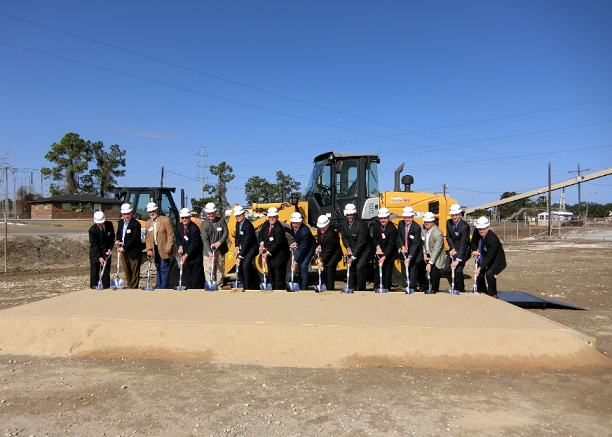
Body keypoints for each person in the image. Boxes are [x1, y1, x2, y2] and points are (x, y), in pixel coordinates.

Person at [339, 203, 373, 291]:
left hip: (365, 251)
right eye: (348, 215)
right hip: (353, 248)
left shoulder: (362, 226)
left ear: (355, 214)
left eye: (351, 215)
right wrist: (348, 248)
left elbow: (360, 243)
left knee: (360, 267)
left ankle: (360, 289)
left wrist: (353, 257)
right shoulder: (343, 224)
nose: (349, 217)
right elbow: (344, 237)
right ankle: (351, 287)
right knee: (351, 267)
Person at [470, 216, 506, 298]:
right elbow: (473, 242)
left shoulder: (493, 239)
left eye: (484, 228)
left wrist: (480, 267)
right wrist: (474, 249)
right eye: (480, 229)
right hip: (483, 256)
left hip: (496, 260)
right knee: (479, 274)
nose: (482, 231)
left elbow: (490, 257)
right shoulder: (476, 232)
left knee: (489, 273)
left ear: (488, 227)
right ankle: (482, 290)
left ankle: (493, 293)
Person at [257, 206, 290, 290]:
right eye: (270, 217)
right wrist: (262, 244)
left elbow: (277, 244)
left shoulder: (279, 229)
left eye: (273, 217)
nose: (271, 218)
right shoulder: (266, 224)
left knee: (278, 280)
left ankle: (279, 294)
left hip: (279, 258)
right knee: (271, 278)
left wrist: (267, 253)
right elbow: (261, 234)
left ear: (277, 217)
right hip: (271, 258)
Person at [144, 202, 175, 289]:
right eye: (150, 212)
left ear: (157, 210)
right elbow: (148, 237)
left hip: (164, 248)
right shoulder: (148, 223)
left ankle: (164, 287)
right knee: (157, 267)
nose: (152, 213)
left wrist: (169, 247)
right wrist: (149, 249)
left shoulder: (165, 220)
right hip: (155, 248)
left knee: (164, 268)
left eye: (153, 211)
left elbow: (170, 235)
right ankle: (159, 285)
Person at [443, 204, 471, 293]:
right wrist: (453, 249)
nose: (454, 217)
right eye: (453, 215)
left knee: (458, 270)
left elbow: (464, 244)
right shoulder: (449, 223)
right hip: (454, 249)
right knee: (446, 269)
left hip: (464, 251)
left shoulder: (465, 227)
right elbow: (448, 237)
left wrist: (457, 260)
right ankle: (455, 287)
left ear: (460, 214)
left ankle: (461, 290)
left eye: (456, 215)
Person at [201, 202, 229, 288]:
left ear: (215, 212)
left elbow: (225, 232)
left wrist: (219, 242)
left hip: (220, 250)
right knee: (209, 269)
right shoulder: (204, 225)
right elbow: (205, 240)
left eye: (212, 213)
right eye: (209, 213)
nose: (211, 215)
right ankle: (210, 285)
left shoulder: (221, 220)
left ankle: (219, 285)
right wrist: (209, 252)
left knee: (220, 269)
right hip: (208, 251)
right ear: (206, 213)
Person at [175, 208, 204, 289]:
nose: (184, 219)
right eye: (182, 217)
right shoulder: (180, 226)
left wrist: (186, 255)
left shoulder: (194, 229)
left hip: (195, 257)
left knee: (196, 279)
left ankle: (196, 292)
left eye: (186, 217)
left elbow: (193, 245)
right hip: (187, 258)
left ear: (189, 217)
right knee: (189, 277)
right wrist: (180, 246)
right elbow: (178, 238)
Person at [115, 203, 142, 289]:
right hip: (124, 251)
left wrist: (124, 247)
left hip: (133, 250)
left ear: (131, 213)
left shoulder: (136, 224)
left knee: (134, 271)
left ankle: (134, 287)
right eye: (125, 214)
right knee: (127, 270)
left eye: (128, 214)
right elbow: (119, 233)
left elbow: (134, 238)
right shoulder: (120, 222)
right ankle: (129, 285)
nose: (126, 216)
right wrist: (118, 240)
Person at [396, 206, 423, 293]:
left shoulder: (417, 227)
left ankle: (412, 288)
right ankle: (405, 286)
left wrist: (410, 257)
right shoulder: (401, 224)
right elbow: (399, 236)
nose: (407, 219)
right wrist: (402, 246)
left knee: (412, 272)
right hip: (404, 251)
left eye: (409, 217)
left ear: (412, 217)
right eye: (405, 217)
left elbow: (415, 244)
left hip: (414, 254)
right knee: (404, 270)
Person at [372, 207, 398, 290]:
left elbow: (391, 245)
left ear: (388, 218)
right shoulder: (376, 225)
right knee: (377, 270)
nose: (383, 220)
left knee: (387, 271)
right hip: (379, 251)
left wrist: (384, 256)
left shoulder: (392, 229)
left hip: (389, 253)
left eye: (385, 218)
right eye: (381, 218)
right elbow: (374, 238)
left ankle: (386, 288)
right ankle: (377, 287)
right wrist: (378, 247)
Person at [233, 205, 258, 289]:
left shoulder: (248, 226)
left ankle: (248, 287)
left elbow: (247, 243)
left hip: (251, 249)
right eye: (236, 215)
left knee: (245, 266)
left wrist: (240, 256)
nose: (238, 217)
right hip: (243, 248)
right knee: (238, 267)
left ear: (244, 215)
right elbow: (237, 236)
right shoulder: (237, 223)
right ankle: (245, 284)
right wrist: (236, 247)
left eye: (239, 215)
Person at [290, 212, 316, 290]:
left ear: (301, 222)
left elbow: (302, 249)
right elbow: (295, 235)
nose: (295, 225)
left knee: (304, 266)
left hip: (309, 248)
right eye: (293, 223)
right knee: (300, 265)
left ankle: (304, 288)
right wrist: (294, 242)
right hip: (302, 245)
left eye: (297, 223)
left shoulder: (305, 232)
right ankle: (299, 285)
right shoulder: (292, 226)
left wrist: (294, 262)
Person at [315, 215, 342, 290]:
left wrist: (323, 261)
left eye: (323, 227)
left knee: (329, 272)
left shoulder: (331, 235)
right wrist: (319, 246)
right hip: (327, 252)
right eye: (320, 227)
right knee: (325, 272)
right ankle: (326, 288)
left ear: (328, 225)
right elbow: (320, 241)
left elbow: (328, 251)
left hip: (333, 255)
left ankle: (330, 289)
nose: (321, 228)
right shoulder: (320, 230)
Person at [89, 210, 114, 289]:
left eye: (102, 222)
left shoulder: (109, 225)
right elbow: (94, 245)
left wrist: (110, 248)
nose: (100, 224)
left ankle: (106, 287)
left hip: (106, 252)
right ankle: (94, 287)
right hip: (96, 253)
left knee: (106, 271)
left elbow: (112, 238)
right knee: (94, 272)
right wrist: (99, 257)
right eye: (99, 223)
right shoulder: (92, 230)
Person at [422, 212, 445, 293]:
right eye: (425, 221)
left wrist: (430, 263)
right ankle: (425, 288)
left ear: (433, 222)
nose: (426, 223)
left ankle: (434, 290)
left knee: (434, 273)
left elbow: (436, 250)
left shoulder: (438, 233)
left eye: (428, 222)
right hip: (427, 254)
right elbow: (423, 243)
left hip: (437, 257)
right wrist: (424, 253)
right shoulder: (423, 230)